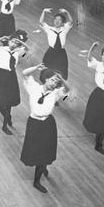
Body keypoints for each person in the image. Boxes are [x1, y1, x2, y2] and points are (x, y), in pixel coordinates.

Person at [20, 64, 69, 193]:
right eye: (52, 79)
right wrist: (36, 67)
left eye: (56, 81)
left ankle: (41, 172)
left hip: (47, 123)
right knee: (37, 151)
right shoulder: (34, 87)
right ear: (46, 79)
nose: (54, 83)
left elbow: (68, 89)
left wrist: (61, 79)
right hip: (34, 123)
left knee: (46, 150)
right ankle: (37, 180)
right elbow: (24, 72)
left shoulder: (56, 93)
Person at [0, 30, 29, 135]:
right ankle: (7, 116)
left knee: (9, 102)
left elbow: (27, 48)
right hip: (2, 76)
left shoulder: (18, 51)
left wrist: (20, 41)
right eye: (12, 42)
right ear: (8, 41)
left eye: (16, 43)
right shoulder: (1, 49)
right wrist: (1, 39)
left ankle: (5, 125)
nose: (13, 44)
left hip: (12, 77)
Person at [39, 7, 73, 80]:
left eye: (59, 20)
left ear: (63, 23)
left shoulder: (64, 29)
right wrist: (44, 11)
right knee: (48, 69)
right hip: (51, 52)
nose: (57, 21)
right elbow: (41, 22)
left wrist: (66, 12)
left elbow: (71, 21)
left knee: (61, 70)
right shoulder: (49, 29)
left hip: (61, 53)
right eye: (55, 19)